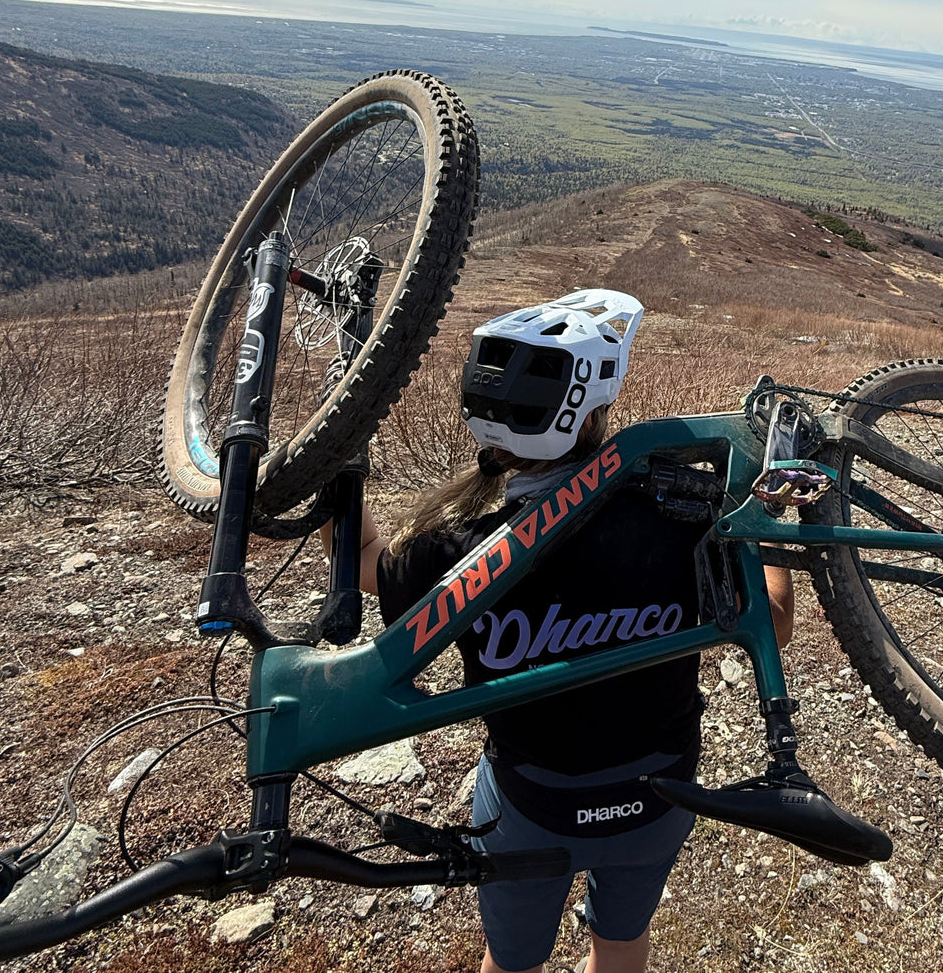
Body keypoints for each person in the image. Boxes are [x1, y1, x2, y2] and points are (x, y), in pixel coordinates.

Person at [331, 289, 793, 973]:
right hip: (660, 796)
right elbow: (773, 622)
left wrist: (338, 453)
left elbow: (365, 564)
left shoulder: (456, 551)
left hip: (531, 809)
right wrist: (763, 522)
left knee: (512, 962)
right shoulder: (684, 518)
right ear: (595, 416)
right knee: (622, 943)